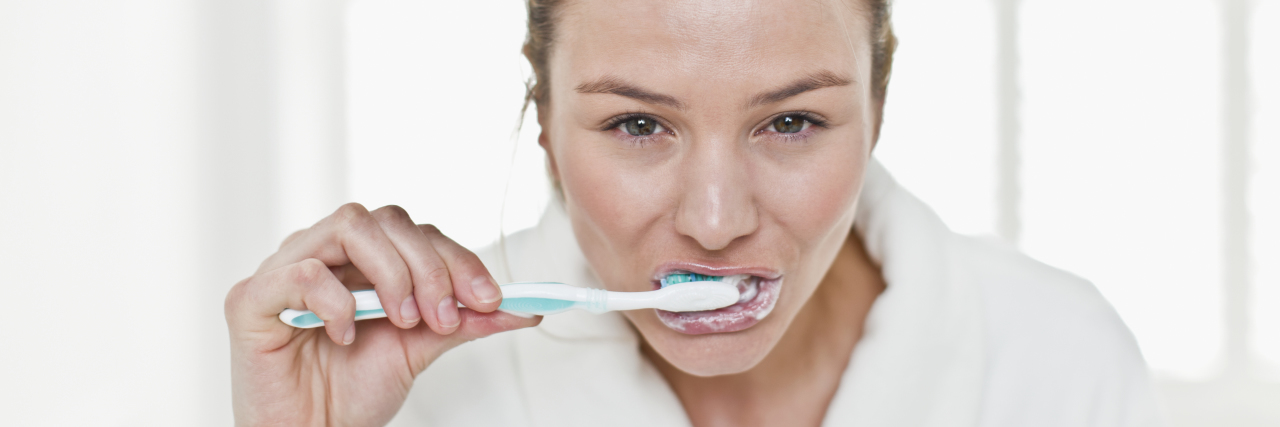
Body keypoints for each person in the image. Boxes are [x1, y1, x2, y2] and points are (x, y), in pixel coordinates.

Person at [224, 0, 1164, 425]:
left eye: (791, 121)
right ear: (545, 122)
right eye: (638, 124)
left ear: (878, 107)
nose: (716, 222)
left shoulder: (1057, 362)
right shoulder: (420, 395)